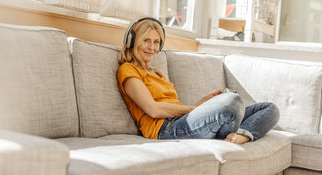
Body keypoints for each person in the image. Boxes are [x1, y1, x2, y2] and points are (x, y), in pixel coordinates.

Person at [117, 17, 280, 144]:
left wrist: (203, 104)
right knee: (233, 101)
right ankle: (234, 130)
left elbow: (177, 107)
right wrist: (195, 109)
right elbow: (153, 110)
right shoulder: (127, 70)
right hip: (165, 129)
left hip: (182, 121)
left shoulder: (157, 73)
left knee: (270, 109)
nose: (152, 47)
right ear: (132, 40)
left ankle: (239, 136)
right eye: (146, 40)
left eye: (156, 42)